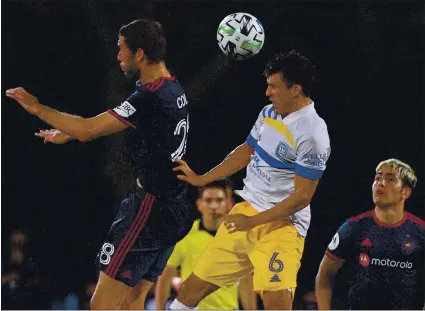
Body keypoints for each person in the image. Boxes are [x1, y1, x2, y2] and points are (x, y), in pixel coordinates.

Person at [6, 18, 193, 309]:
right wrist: (68, 133)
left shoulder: (149, 96)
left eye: (121, 49)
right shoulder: (171, 87)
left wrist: (36, 107)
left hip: (150, 209)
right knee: (131, 304)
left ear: (140, 54)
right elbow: (123, 124)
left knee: (102, 305)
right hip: (175, 207)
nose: (118, 56)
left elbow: (88, 129)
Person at [171, 50, 331, 310]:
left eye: (273, 86)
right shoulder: (269, 113)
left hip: (281, 227)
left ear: (296, 89)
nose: (268, 93)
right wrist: (202, 179)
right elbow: (246, 151)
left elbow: (302, 197)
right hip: (245, 214)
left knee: (276, 305)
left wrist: (254, 222)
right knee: (188, 292)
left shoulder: (313, 134)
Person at [315, 158, 424, 310]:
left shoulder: (420, 232)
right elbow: (325, 274)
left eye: (390, 179)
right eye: (377, 178)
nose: (381, 183)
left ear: (405, 192)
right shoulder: (353, 227)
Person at [155, 180, 257, 310]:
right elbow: (165, 278)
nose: (214, 205)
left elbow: (246, 283)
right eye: (208, 200)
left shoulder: (239, 237)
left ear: (228, 204)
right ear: (199, 204)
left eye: (219, 200)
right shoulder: (184, 237)